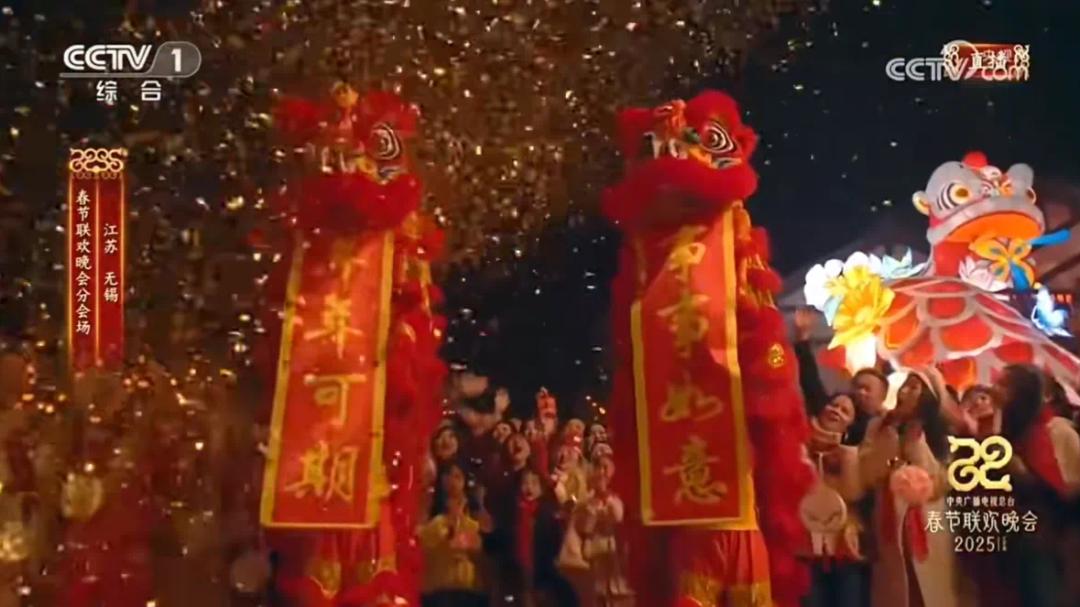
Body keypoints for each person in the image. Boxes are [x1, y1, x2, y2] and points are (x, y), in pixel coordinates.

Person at [860, 370, 971, 607]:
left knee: (931, 588)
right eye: (905, 385)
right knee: (895, 589)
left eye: (914, 387)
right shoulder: (879, 426)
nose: (904, 391)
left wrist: (916, 444)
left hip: (929, 520)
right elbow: (865, 474)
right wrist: (888, 447)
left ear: (929, 396)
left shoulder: (940, 432)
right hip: (888, 517)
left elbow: (943, 481)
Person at [993, 365, 1080, 607]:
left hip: (1049, 542)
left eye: (1004, 385)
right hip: (1013, 539)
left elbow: (1070, 490)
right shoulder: (1002, 433)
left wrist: (1025, 476)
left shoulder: (1058, 431)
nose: (994, 390)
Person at [801, 393, 866, 607]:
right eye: (833, 405)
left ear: (850, 426)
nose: (836, 411)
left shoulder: (852, 454)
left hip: (842, 547)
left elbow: (852, 494)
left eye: (845, 411)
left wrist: (848, 459)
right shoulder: (797, 445)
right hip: (803, 547)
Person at [793, 307, 888, 445]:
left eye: (867, 389)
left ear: (881, 398)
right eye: (858, 386)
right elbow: (810, 379)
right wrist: (802, 338)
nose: (861, 392)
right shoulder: (827, 406)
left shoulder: (883, 430)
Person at [418, 463, 488, 607]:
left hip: (469, 591)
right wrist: (451, 520)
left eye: (457, 476)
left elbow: (483, 549)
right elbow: (424, 541)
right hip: (438, 590)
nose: (452, 482)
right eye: (448, 476)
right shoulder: (432, 517)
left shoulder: (475, 520)